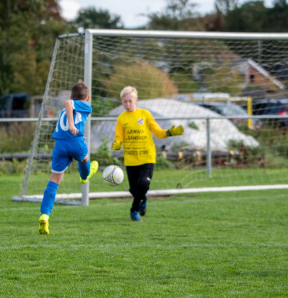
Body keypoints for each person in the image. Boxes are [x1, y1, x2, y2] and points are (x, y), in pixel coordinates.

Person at [111, 86, 184, 221]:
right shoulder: (121, 118)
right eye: (124, 101)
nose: (127, 104)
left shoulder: (145, 114)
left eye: (130, 101)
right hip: (131, 159)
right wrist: (117, 144)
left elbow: (157, 132)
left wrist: (169, 132)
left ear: (136, 100)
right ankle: (143, 199)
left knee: (143, 184)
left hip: (147, 157)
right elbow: (119, 137)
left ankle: (134, 211)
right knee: (134, 190)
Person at [39, 81, 99, 235]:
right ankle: (85, 176)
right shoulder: (86, 105)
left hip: (60, 145)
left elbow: (69, 109)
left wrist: (75, 129)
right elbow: (68, 103)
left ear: (72, 95)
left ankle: (44, 215)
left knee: (54, 181)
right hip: (75, 143)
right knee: (85, 158)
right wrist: (73, 126)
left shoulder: (63, 112)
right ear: (88, 98)